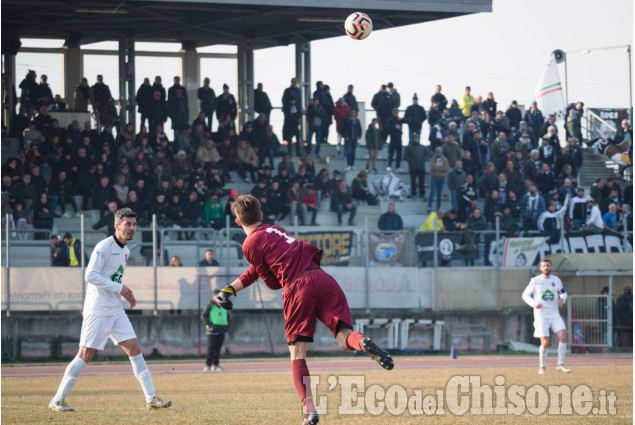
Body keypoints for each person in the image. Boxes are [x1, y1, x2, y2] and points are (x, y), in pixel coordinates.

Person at [215, 195, 393, 425]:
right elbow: (257, 269)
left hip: (297, 287)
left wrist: (272, 277)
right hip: (323, 278)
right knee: (344, 338)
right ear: (261, 215)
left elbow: (270, 282)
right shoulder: (276, 229)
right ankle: (364, 343)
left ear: (238, 222)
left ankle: (309, 410)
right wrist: (230, 289)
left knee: (297, 354)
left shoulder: (249, 245)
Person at [49, 209, 171, 412]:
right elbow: (91, 275)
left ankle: (151, 398)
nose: (132, 228)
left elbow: (112, 278)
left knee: (134, 349)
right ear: (117, 226)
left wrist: (122, 292)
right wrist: (120, 288)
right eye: (128, 224)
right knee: (85, 354)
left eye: (134, 224)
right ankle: (57, 399)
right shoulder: (104, 246)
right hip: (98, 309)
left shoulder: (126, 250)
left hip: (115, 308)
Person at [521, 258, 571, 375]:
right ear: (540, 268)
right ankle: (542, 366)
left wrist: (561, 299)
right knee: (545, 342)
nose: (546, 267)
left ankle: (560, 364)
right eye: (544, 266)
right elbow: (525, 295)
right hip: (541, 315)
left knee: (563, 336)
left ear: (551, 267)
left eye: (548, 265)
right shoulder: (535, 281)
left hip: (554, 314)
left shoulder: (556, 280)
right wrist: (534, 304)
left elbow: (563, 292)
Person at [202, 290, 230, 371]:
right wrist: (211, 325)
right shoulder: (210, 306)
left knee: (218, 349)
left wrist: (227, 327)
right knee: (211, 348)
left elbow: (228, 318)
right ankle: (208, 365)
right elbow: (204, 316)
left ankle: (216, 364)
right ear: (213, 297)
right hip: (212, 331)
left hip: (222, 330)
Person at [403, 133, 429, 199]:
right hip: (413, 167)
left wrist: (423, 160)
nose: (416, 139)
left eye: (417, 138)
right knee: (413, 182)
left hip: (421, 166)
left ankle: (422, 194)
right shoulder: (409, 147)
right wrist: (411, 161)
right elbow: (405, 156)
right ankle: (413, 194)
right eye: (414, 138)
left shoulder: (423, 147)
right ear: (412, 139)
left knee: (422, 182)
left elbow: (427, 155)